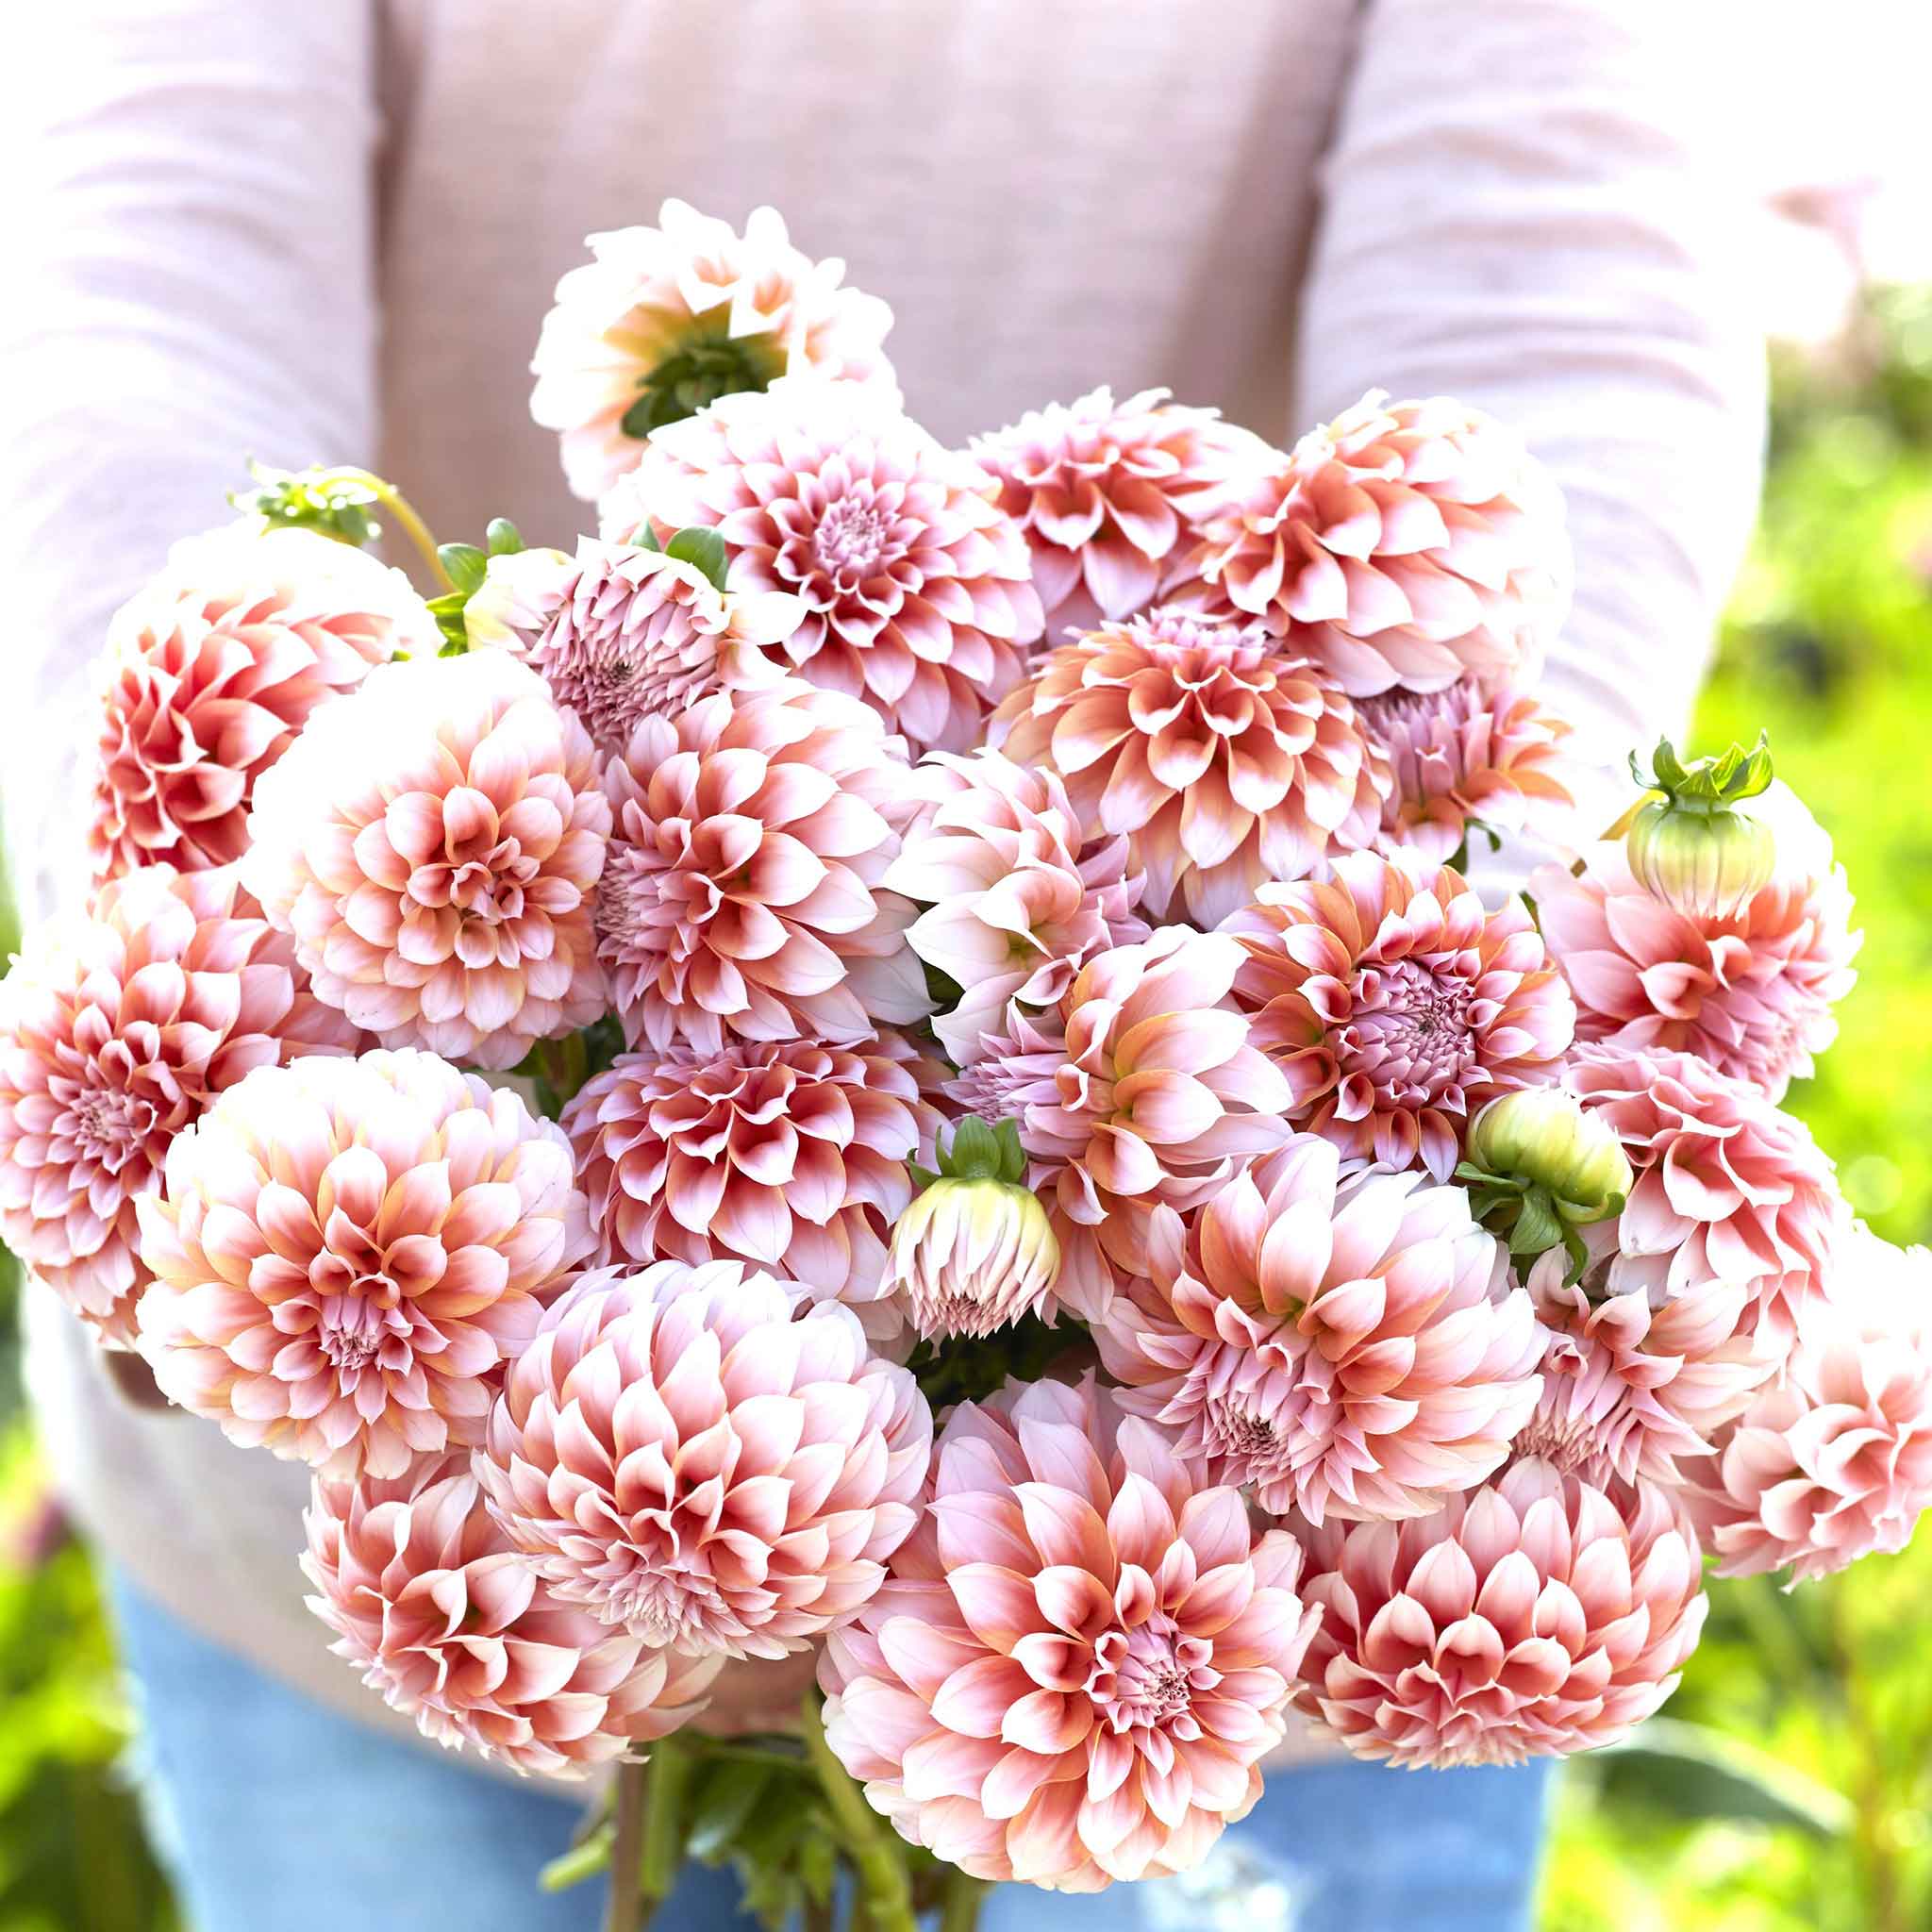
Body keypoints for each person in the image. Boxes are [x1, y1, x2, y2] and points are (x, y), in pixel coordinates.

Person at [2, 3, 1764, 1928]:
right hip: (411, 1490)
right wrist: (211, 998)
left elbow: (1561, 305)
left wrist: (1459, 897)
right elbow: (127, 262)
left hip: (1262, 1492)